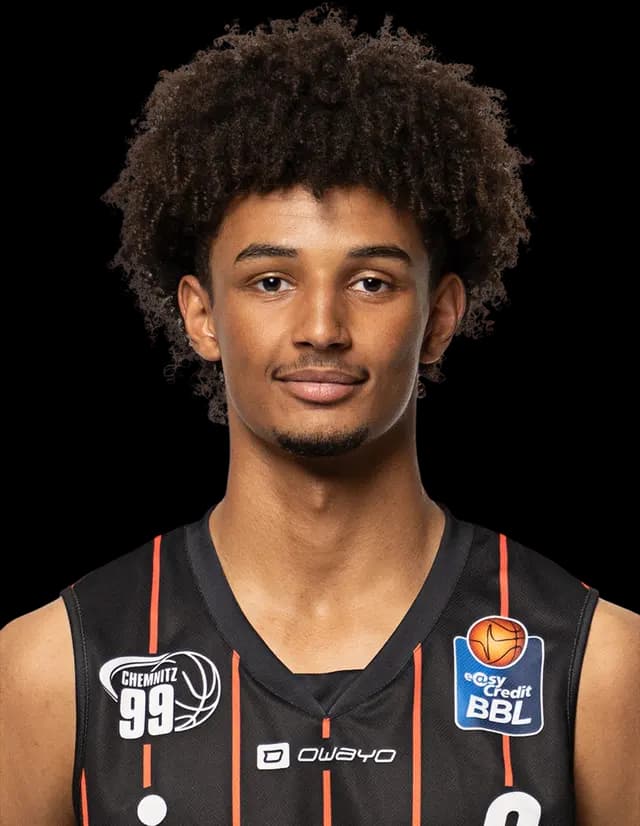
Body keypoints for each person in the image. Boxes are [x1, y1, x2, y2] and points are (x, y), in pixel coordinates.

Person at [1, 4, 638, 824]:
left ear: (440, 317)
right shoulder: (52, 666)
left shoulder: (595, 661)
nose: (322, 329)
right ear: (201, 315)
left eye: (371, 282)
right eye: (271, 281)